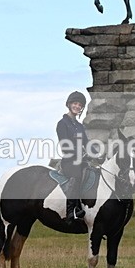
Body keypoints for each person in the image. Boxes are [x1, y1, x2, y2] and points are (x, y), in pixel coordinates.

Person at [56, 91, 90, 222]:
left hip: (81, 161)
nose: (77, 106)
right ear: (69, 104)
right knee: (76, 176)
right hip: (69, 162)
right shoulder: (62, 123)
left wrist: (97, 153)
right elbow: (65, 147)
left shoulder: (80, 126)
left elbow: (87, 143)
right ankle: (71, 211)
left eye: (80, 105)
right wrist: (79, 152)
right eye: (75, 103)